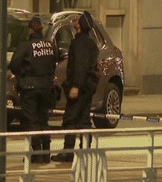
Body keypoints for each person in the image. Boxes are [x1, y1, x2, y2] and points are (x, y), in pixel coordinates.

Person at [51, 11, 100, 162]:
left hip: (79, 88)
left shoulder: (79, 43)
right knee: (84, 119)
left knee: (70, 119)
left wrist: (75, 86)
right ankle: (86, 150)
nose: (75, 22)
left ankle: (68, 152)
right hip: (88, 88)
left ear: (81, 25)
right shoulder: (90, 43)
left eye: (78, 20)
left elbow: (80, 66)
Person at [9, 15, 58, 164]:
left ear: (30, 30)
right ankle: (46, 152)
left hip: (30, 87)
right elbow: (55, 60)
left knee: (31, 120)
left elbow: (14, 65)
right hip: (46, 87)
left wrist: (21, 75)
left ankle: (36, 153)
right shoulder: (50, 45)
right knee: (43, 118)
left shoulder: (26, 46)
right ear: (42, 29)